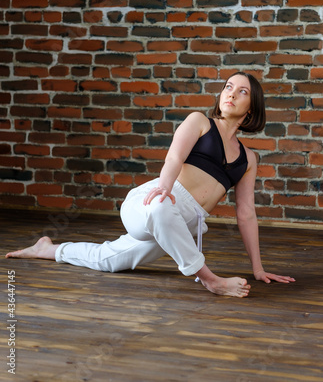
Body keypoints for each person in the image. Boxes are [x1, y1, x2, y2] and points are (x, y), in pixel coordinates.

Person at [6, 72, 295, 297]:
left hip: (178, 226)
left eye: (242, 91)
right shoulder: (200, 122)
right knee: (160, 208)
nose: (231, 93)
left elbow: (245, 213)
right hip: (151, 202)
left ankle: (47, 249)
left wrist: (258, 269)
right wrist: (165, 189)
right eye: (228, 87)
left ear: (252, 109)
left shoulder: (248, 159)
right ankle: (210, 280)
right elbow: (173, 157)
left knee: (108, 259)